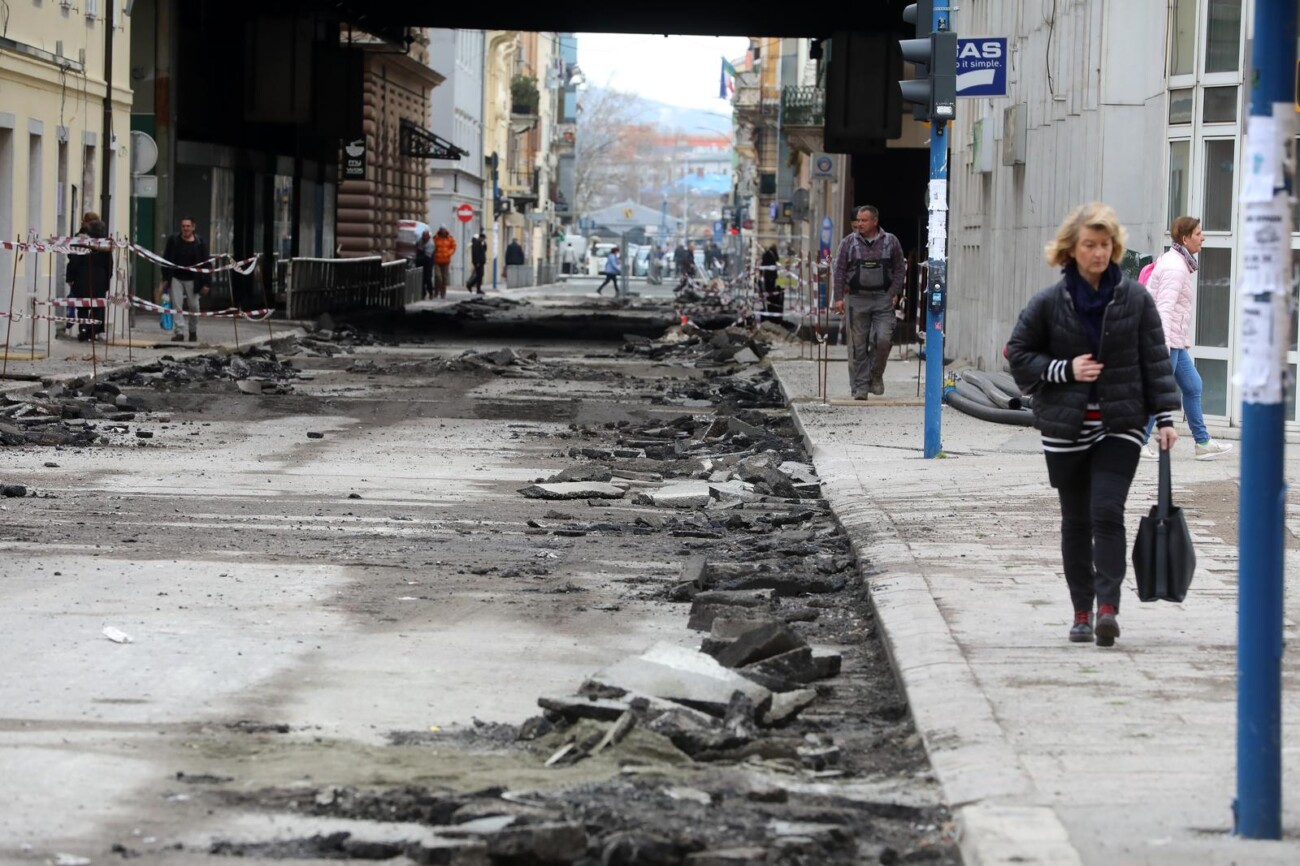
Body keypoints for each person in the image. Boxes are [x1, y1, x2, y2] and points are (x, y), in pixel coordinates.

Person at [1006, 202, 1180, 648]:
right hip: (1066, 428)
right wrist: (1065, 369)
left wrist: (1164, 417)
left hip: (1120, 422)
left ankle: (1107, 608)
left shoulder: (1134, 298)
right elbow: (1018, 354)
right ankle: (1080, 612)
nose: (1099, 253)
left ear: (1114, 248)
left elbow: (1155, 359)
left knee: (1106, 511)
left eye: (1105, 245)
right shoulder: (1049, 303)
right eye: (1090, 245)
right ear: (1071, 249)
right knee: (1075, 521)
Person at [1140, 216, 1233, 461]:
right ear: (1185, 238)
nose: (1203, 238)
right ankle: (1138, 442)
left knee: (1193, 386)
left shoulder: (1180, 263)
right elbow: (1164, 308)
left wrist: (1179, 340)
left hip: (1174, 341)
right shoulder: (1175, 267)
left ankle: (1202, 442)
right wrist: (1164, 344)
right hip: (1165, 341)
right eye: (1199, 233)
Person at [831, 205, 906, 399]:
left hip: (883, 299)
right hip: (857, 298)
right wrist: (838, 298)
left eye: (864, 220)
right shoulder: (848, 243)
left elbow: (900, 270)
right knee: (858, 345)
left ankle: (875, 375)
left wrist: (893, 292)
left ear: (875, 221)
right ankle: (860, 387)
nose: (859, 224)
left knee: (883, 339)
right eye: (858, 220)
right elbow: (839, 271)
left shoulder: (891, 242)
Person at [160, 217, 211, 343]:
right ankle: (179, 332)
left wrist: (206, 283)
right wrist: (166, 278)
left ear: (193, 227)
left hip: (193, 280)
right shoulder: (173, 241)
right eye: (183, 226)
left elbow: (207, 264)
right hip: (176, 278)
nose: (185, 228)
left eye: (188, 226)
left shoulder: (200, 243)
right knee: (177, 305)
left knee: (194, 306)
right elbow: (165, 260)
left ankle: (193, 331)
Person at [66, 219, 113, 342]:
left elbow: (74, 261)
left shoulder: (83, 242)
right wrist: (107, 280)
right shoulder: (105, 245)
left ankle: (83, 328)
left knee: (82, 306)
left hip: (82, 277)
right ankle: (91, 331)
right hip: (100, 278)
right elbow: (110, 265)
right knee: (97, 307)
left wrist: (70, 277)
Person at [432, 225, 456, 299]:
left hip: (446, 261)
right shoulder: (435, 238)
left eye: (444, 230)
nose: (443, 231)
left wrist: (449, 253)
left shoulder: (449, 238)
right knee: (438, 277)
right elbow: (432, 247)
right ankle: (436, 291)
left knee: (444, 278)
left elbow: (453, 246)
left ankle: (443, 293)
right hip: (437, 260)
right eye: (441, 230)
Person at [760, 243, 780, 322]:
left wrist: (761, 273)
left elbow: (763, 264)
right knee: (771, 291)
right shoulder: (772, 254)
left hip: (768, 276)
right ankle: (771, 306)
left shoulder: (767, 254)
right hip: (771, 276)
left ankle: (769, 306)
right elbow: (777, 260)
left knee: (768, 291)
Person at [416, 230, 434, 300]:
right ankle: (423, 294)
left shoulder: (430, 244)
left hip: (428, 261)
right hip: (421, 261)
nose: (424, 238)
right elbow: (418, 248)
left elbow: (428, 256)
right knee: (422, 279)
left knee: (428, 278)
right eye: (423, 236)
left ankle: (431, 292)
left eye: (425, 236)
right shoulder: (421, 240)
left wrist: (418, 258)